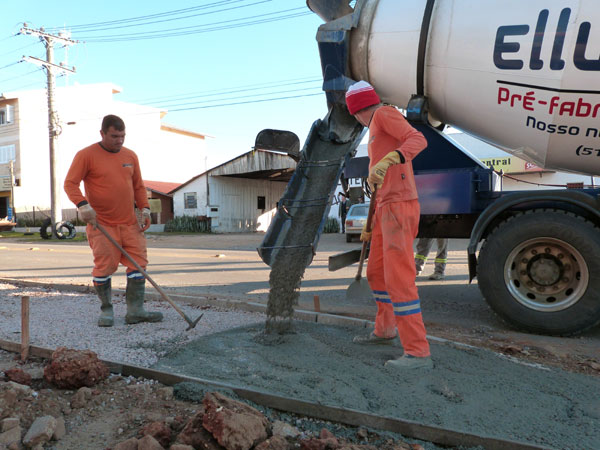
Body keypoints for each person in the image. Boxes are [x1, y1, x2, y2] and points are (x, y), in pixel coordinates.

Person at [345, 80, 432, 370]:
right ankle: (384, 330)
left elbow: (418, 140)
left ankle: (418, 352)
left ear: (356, 110)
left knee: (398, 278)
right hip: (385, 207)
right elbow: (380, 182)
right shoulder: (374, 127)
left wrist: (390, 160)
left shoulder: (383, 114)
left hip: (399, 205)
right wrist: (371, 224)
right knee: (377, 273)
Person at [64, 114, 163, 327]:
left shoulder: (130, 156)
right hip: (102, 224)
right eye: (114, 136)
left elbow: (138, 186)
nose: (120, 140)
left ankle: (135, 311)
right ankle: (106, 310)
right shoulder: (86, 155)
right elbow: (70, 184)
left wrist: (145, 210)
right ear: (102, 134)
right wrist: (83, 205)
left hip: (129, 224)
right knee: (104, 268)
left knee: (139, 265)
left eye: (123, 136)